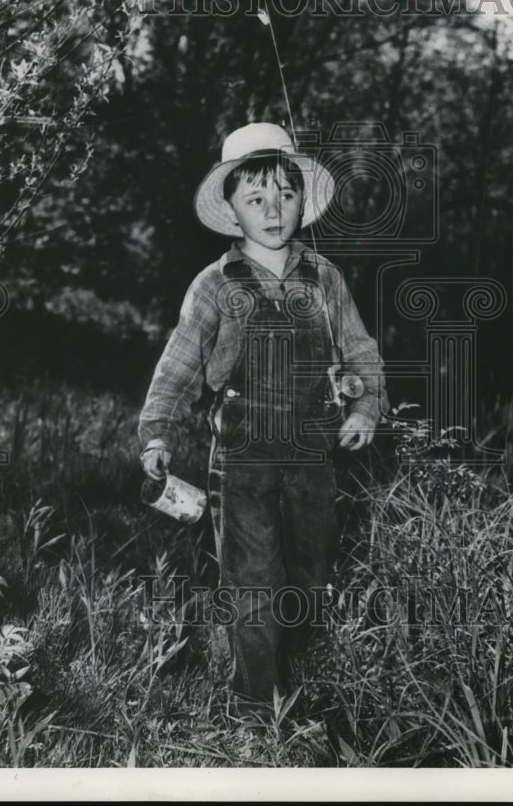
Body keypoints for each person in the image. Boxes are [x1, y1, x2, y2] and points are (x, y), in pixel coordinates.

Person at [138, 122, 389, 722]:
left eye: (286, 195)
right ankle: (256, 708)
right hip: (244, 459)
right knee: (252, 580)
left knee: (311, 575)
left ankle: (303, 685)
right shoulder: (213, 285)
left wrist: (365, 404)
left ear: (304, 202)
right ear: (231, 210)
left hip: (313, 456)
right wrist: (158, 431)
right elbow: (180, 363)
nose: (274, 211)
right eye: (256, 199)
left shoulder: (324, 277)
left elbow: (360, 350)